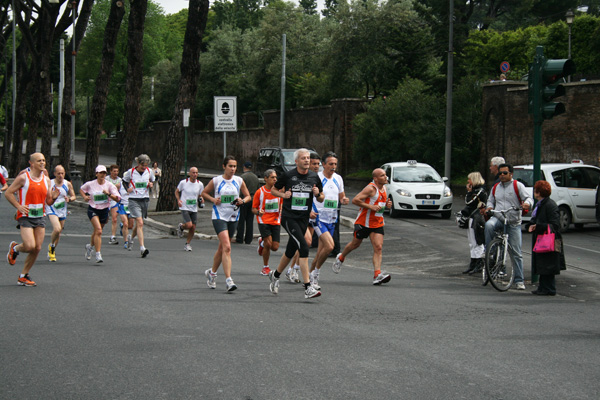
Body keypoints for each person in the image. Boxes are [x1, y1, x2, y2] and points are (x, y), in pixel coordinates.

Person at [268, 148, 324, 299]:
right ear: (296, 161)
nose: (307, 160)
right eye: (303, 158)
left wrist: (318, 194)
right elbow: (273, 190)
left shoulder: (314, 177)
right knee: (304, 247)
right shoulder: (288, 175)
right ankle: (308, 287)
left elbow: (321, 197)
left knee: (291, 250)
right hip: (289, 217)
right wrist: (283, 195)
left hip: (304, 218)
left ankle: (275, 275)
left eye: (308, 158)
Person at [331, 168, 393, 285]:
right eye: (382, 175)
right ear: (375, 178)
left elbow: (380, 205)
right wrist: (370, 207)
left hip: (377, 222)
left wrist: (387, 205)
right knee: (355, 244)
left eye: (385, 175)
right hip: (364, 222)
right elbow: (355, 200)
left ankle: (377, 275)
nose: (386, 177)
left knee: (378, 247)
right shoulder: (370, 188)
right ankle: (341, 257)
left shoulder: (384, 188)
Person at [6, 153, 59, 286]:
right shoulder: (24, 178)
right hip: (26, 216)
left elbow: (48, 201)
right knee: (29, 246)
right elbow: (8, 192)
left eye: (44, 160)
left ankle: (23, 276)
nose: (42, 163)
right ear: (32, 163)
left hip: (40, 216)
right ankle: (15, 248)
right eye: (39, 161)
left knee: (37, 248)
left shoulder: (47, 180)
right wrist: (18, 206)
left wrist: (54, 197)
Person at [201, 156, 251, 292]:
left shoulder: (239, 180)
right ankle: (229, 280)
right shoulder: (216, 180)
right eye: (230, 166)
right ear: (224, 167)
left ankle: (211, 273)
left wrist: (242, 201)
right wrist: (213, 199)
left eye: (235, 166)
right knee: (227, 247)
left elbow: (248, 196)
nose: (233, 169)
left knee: (222, 248)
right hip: (219, 216)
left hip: (234, 216)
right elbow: (204, 193)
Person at [484, 163, 532, 290]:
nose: (502, 175)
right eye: (500, 173)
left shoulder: (517, 186)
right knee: (489, 224)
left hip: (513, 222)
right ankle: (490, 250)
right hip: (499, 217)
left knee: (516, 252)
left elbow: (528, 198)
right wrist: (489, 207)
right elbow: (490, 200)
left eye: (505, 173)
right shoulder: (495, 187)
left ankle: (519, 280)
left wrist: (526, 204)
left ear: (511, 174)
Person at [309, 152, 349, 290]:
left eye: (335, 164)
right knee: (330, 247)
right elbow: (308, 196)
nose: (333, 167)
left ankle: (309, 277)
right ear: (323, 164)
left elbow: (341, 196)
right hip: (318, 217)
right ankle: (316, 275)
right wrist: (310, 211)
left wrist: (344, 200)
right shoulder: (316, 178)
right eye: (330, 164)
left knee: (322, 251)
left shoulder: (338, 178)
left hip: (332, 218)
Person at [286, 152, 321, 282]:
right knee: (304, 242)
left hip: (314, 215)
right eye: (313, 163)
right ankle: (294, 270)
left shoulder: (317, 177)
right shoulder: (295, 176)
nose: (315, 166)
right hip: (299, 215)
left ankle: (292, 269)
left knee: (302, 243)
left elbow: (322, 196)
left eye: (318, 164)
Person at [528, 180, 566, 296]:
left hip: (549, 239)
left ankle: (549, 288)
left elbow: (555, 225)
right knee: (544, 264)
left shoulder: (549, 205)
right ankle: (543, 287)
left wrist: (537, 226)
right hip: (543, 239)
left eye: (535, 190)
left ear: (539, 192)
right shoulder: (541, 204)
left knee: (548, 264)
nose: (534, 192)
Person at [80, 165, 121, 263]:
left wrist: (108, 194)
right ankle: (98, 254)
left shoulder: (109, 185)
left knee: (97, 232)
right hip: (93, 209)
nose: (102, 175)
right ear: (96, 174)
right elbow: (82, 189)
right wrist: (84, 197)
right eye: (100, 173)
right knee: (98, 230)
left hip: (104, 210)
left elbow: (118, 198)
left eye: (104, 173)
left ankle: (90, 246)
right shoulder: (90, 184)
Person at [122, 154, 155, 257]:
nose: (144, 168)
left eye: (145, 166)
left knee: (140, 224)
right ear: (138, 163)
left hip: (144, 200)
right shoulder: (130, 172)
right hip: (133, 200)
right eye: (142, 166)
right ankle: (142, 248)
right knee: (139, 222)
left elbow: (153, 180)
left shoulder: (149, 171)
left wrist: (151, 184)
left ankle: (131, 238)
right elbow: (124, 181)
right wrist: (128, 189)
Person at [253, 169, 283, 276]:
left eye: (276, 177)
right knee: (268, 243)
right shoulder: (260, 192)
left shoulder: (279, 192)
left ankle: (261, 242)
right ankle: (265, 267)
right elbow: (253, 209)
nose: (275, 179)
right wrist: (258, 212)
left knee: (275, 247)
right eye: (272, 177)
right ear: (265, 179)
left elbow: (281, 204)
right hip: (263, 220)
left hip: (275, 221)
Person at [45, 165, 76, 262]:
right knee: (57, 229)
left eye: (62, 173)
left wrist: (69, 199)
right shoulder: (50, 183)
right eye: (58, 173)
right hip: (51, 208)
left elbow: (73, 196)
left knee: (59, 233)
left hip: (62, 209)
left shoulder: (67, 184)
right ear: (54, 174)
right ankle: (52, 248)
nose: (61, 175)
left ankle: (52, 247)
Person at [460, 172, 487, 275]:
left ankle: (479, 263)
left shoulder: (480, 191)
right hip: (472, 217)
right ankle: (473, 263)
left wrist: (469, 192)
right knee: (472, 241)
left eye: (470, 179)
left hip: (477, 218)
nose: (468, 181)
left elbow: (469, 202)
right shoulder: (476, 191)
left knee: (477, 241)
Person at [175, 167, 205, 252]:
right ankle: (182, 226)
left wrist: (201, 199)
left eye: (196, 173)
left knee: (193, 227)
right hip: (184, 206)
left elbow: (200, 195)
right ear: (189, 173)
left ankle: (187, 244)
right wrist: (178, 200)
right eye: (193, 173)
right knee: (189, 225)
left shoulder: (200, 184)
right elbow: (177, 191)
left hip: (194, 207)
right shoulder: (183, 183)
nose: (195, 174)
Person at [235, 161, 259, 244]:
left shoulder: (242, 177)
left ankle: (239, 238)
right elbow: (258, 189)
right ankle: (248, 239)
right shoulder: (255, 177)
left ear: (244, 167)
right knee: (250, 220)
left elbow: (239, 190)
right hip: (253, 200)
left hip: (244, 200)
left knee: (241, 220)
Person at [106, 165, 122, 245]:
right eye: (114, 171)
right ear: (111, 172)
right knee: (105, 219)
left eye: (117, 171)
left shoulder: (120, 180)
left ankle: (113, 236)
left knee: (114, 219)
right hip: (106, 201)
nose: (115, 173)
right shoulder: (106, 179)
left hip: (114, 201)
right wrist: (115, 187)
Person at [118, 174, 134, 250]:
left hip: (131, 206)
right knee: (125, 223)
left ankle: (122, 227)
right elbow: (113, 191)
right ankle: (126, 241)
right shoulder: (120, 184)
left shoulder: (134, 184)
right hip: (122, 205)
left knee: (130, 226)